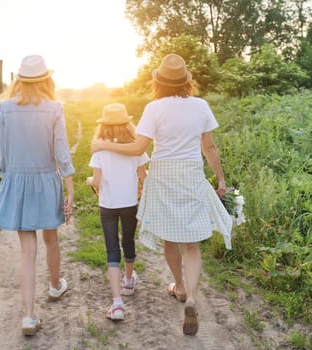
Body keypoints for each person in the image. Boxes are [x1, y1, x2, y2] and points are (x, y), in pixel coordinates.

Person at [91, 54, 232, 335]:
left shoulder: (154, 108)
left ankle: (178, 286)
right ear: (186, 82)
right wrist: (220, 178)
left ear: (158, 82)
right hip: (191, 172)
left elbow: (136, 148)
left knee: (171, 237)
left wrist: (102, 145)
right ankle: (191, 297)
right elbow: (210, 147)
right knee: (192, 244)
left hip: (163, 173)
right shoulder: (201, 106)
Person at [0, 54, 75, 336]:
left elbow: (2, 154)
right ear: (46, 80)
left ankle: (29, 316)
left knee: (27, 250)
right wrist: (70, 187)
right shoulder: (54, 108)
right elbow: (61, 152)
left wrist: (10, 176)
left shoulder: (4, 109)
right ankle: (55, 286)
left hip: (17, 180)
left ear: (19, 80)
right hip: (46, 180)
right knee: (51, 239)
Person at [87, 103, 149, 321]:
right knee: (128, 240)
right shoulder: (135, 149)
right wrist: (140, 188)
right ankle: (129, 281)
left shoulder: (100, 151)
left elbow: (96, 181)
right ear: (127, 124)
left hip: (108, 205)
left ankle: (117, 304)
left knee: (112, 248)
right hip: (130, 203)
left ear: (103, 126)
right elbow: (143, 177)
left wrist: (89, 182)